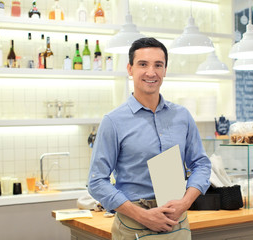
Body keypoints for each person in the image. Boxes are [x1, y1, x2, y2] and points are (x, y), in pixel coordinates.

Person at [88, 37, 211, 239]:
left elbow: (202, 164)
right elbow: (96, 181)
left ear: (165, 70)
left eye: (158, 65)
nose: (151, 72)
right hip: (134, 223)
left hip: (177, 221)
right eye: (143, 64)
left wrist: (185, 202)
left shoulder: (182, 116)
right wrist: (143, 216)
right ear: (130, 69)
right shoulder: (113, 121)